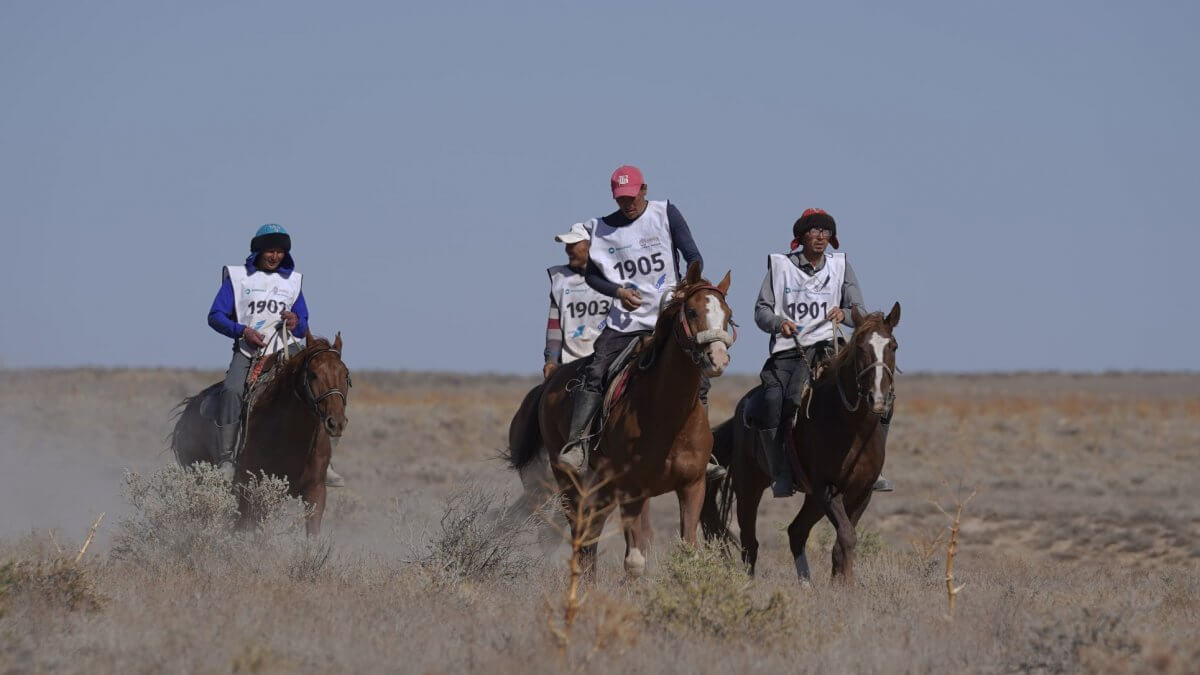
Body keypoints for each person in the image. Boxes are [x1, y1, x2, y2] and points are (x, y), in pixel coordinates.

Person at [559, 165, 707, 472]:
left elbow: (693, 255)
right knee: (596, 369)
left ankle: (703, 452)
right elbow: (591, 277)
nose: (627, 205)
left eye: (631, 197)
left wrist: (687, 285)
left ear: (644, 190)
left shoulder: (666, 213)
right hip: (626, 320)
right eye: (620, 199)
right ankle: (577, 442)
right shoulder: (599, 228)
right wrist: (617, 292)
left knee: (699, 372)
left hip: (668, 314)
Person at [752, 208, 892, 497]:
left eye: (826, 232)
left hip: (833, 349)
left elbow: (859, 313)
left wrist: (845, 313)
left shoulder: (841, 266)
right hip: (792, 351)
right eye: (814, 231)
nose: (820, 237)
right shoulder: (780, 266)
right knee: (776, 400)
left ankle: (874, 468)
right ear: (802, 236)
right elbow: (760, 311)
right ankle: (781, 471)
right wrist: (779, 323)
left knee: (881, 394)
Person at [206, 224, 345, 486]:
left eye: (281, 251)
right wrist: (242, 331)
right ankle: (226, 459)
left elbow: (303, 324)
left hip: (289, 350)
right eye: (270, 250)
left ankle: (325, 462)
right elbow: (215, 317)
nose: (275, 256)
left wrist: (295, 322)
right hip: (251, 351)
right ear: (258, 251)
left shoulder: (292, 282)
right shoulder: (238, 279)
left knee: (320, 387)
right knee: (233, 390)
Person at [542, 223, 610, 379]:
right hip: (570, 364)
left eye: (573, 244)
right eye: (567, 245)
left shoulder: (615, 275)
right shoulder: (559, 280)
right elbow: (554, 326)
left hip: (609, 360)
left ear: (591, 245)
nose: (568, 250)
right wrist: (551, 361)